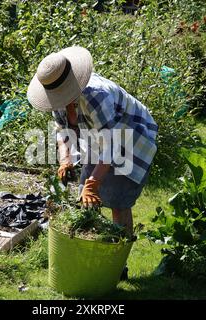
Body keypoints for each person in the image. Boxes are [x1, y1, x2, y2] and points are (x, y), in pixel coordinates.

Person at [27, 45, 158, 241]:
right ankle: (92, 250)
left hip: (130, 136)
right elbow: (63, 131)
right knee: (86, 198)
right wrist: (66, 160)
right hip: (99, 138)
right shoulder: (57, 98)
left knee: (117, 199)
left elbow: (111, 145)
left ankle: (117, 261)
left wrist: (94, 182)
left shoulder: (96, 96)